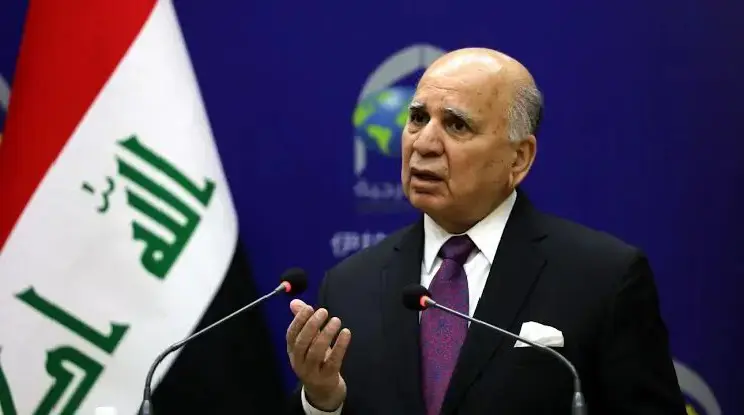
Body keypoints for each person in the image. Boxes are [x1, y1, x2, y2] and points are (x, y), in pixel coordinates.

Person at [284, 47, 686, 414]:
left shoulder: (602, 279)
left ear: (519, 158)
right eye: (418, 118)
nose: (424, 144)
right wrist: (323, 402)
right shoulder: (350, 285)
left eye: (456, 125)